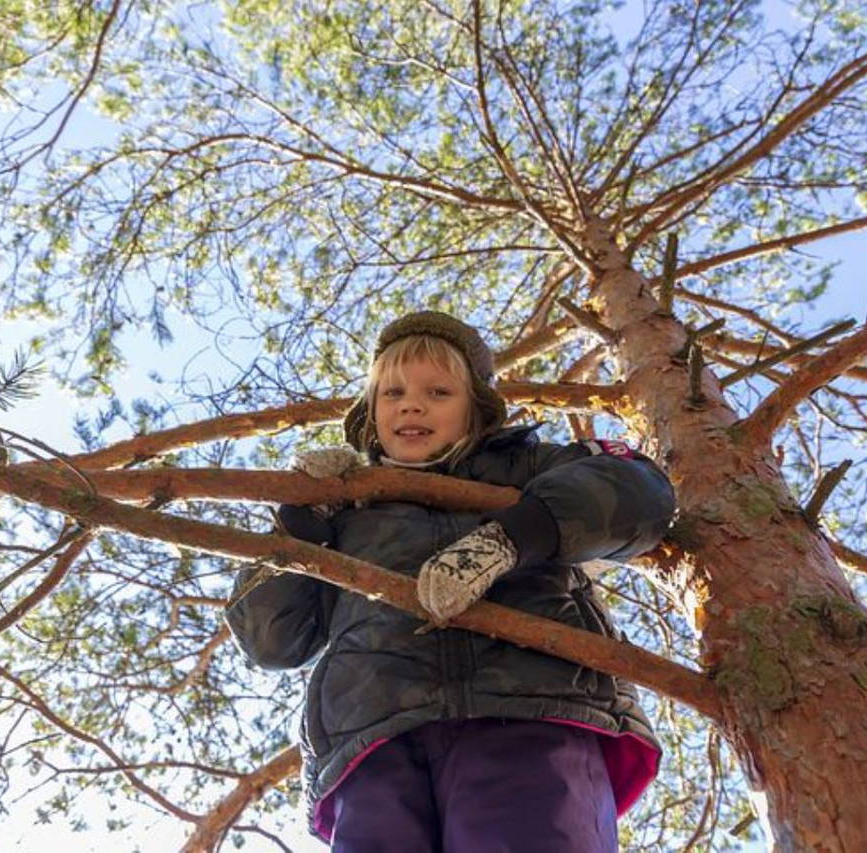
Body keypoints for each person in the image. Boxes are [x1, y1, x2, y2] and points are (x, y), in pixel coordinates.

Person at [226, 311, 676, 852]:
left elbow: (638, 490)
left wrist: (511, 538)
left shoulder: (527, 467)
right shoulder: (347, 510)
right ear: (371, 410)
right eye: (392, 392)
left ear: (476, 408)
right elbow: (271, 640)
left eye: (438, 392)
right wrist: (299, 526)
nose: (411, 405)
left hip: (533, 711)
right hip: (373, 735)